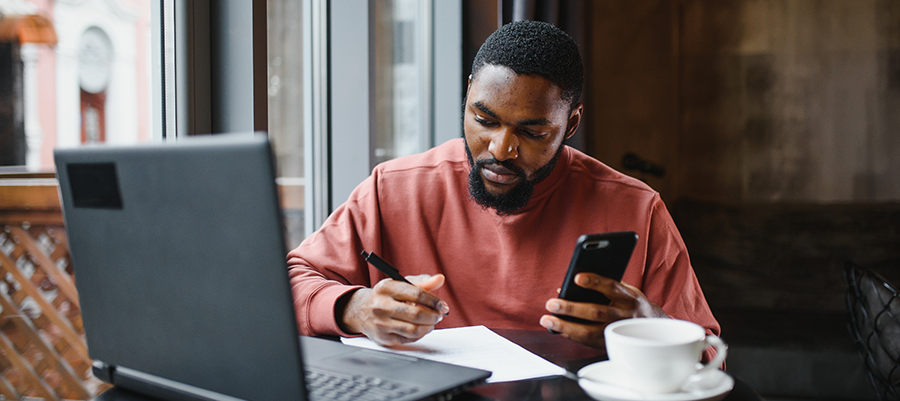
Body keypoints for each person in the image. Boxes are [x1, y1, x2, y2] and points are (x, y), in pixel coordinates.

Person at [287, 20, 720, 358]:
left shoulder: (637, 209)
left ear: (570, 125)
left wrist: (652, 327)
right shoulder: (394, 188)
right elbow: (289, 281)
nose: (501, 149)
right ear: (468, 97)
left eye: (531, 132)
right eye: (485, 120)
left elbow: (708, 354)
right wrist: (353, 307)